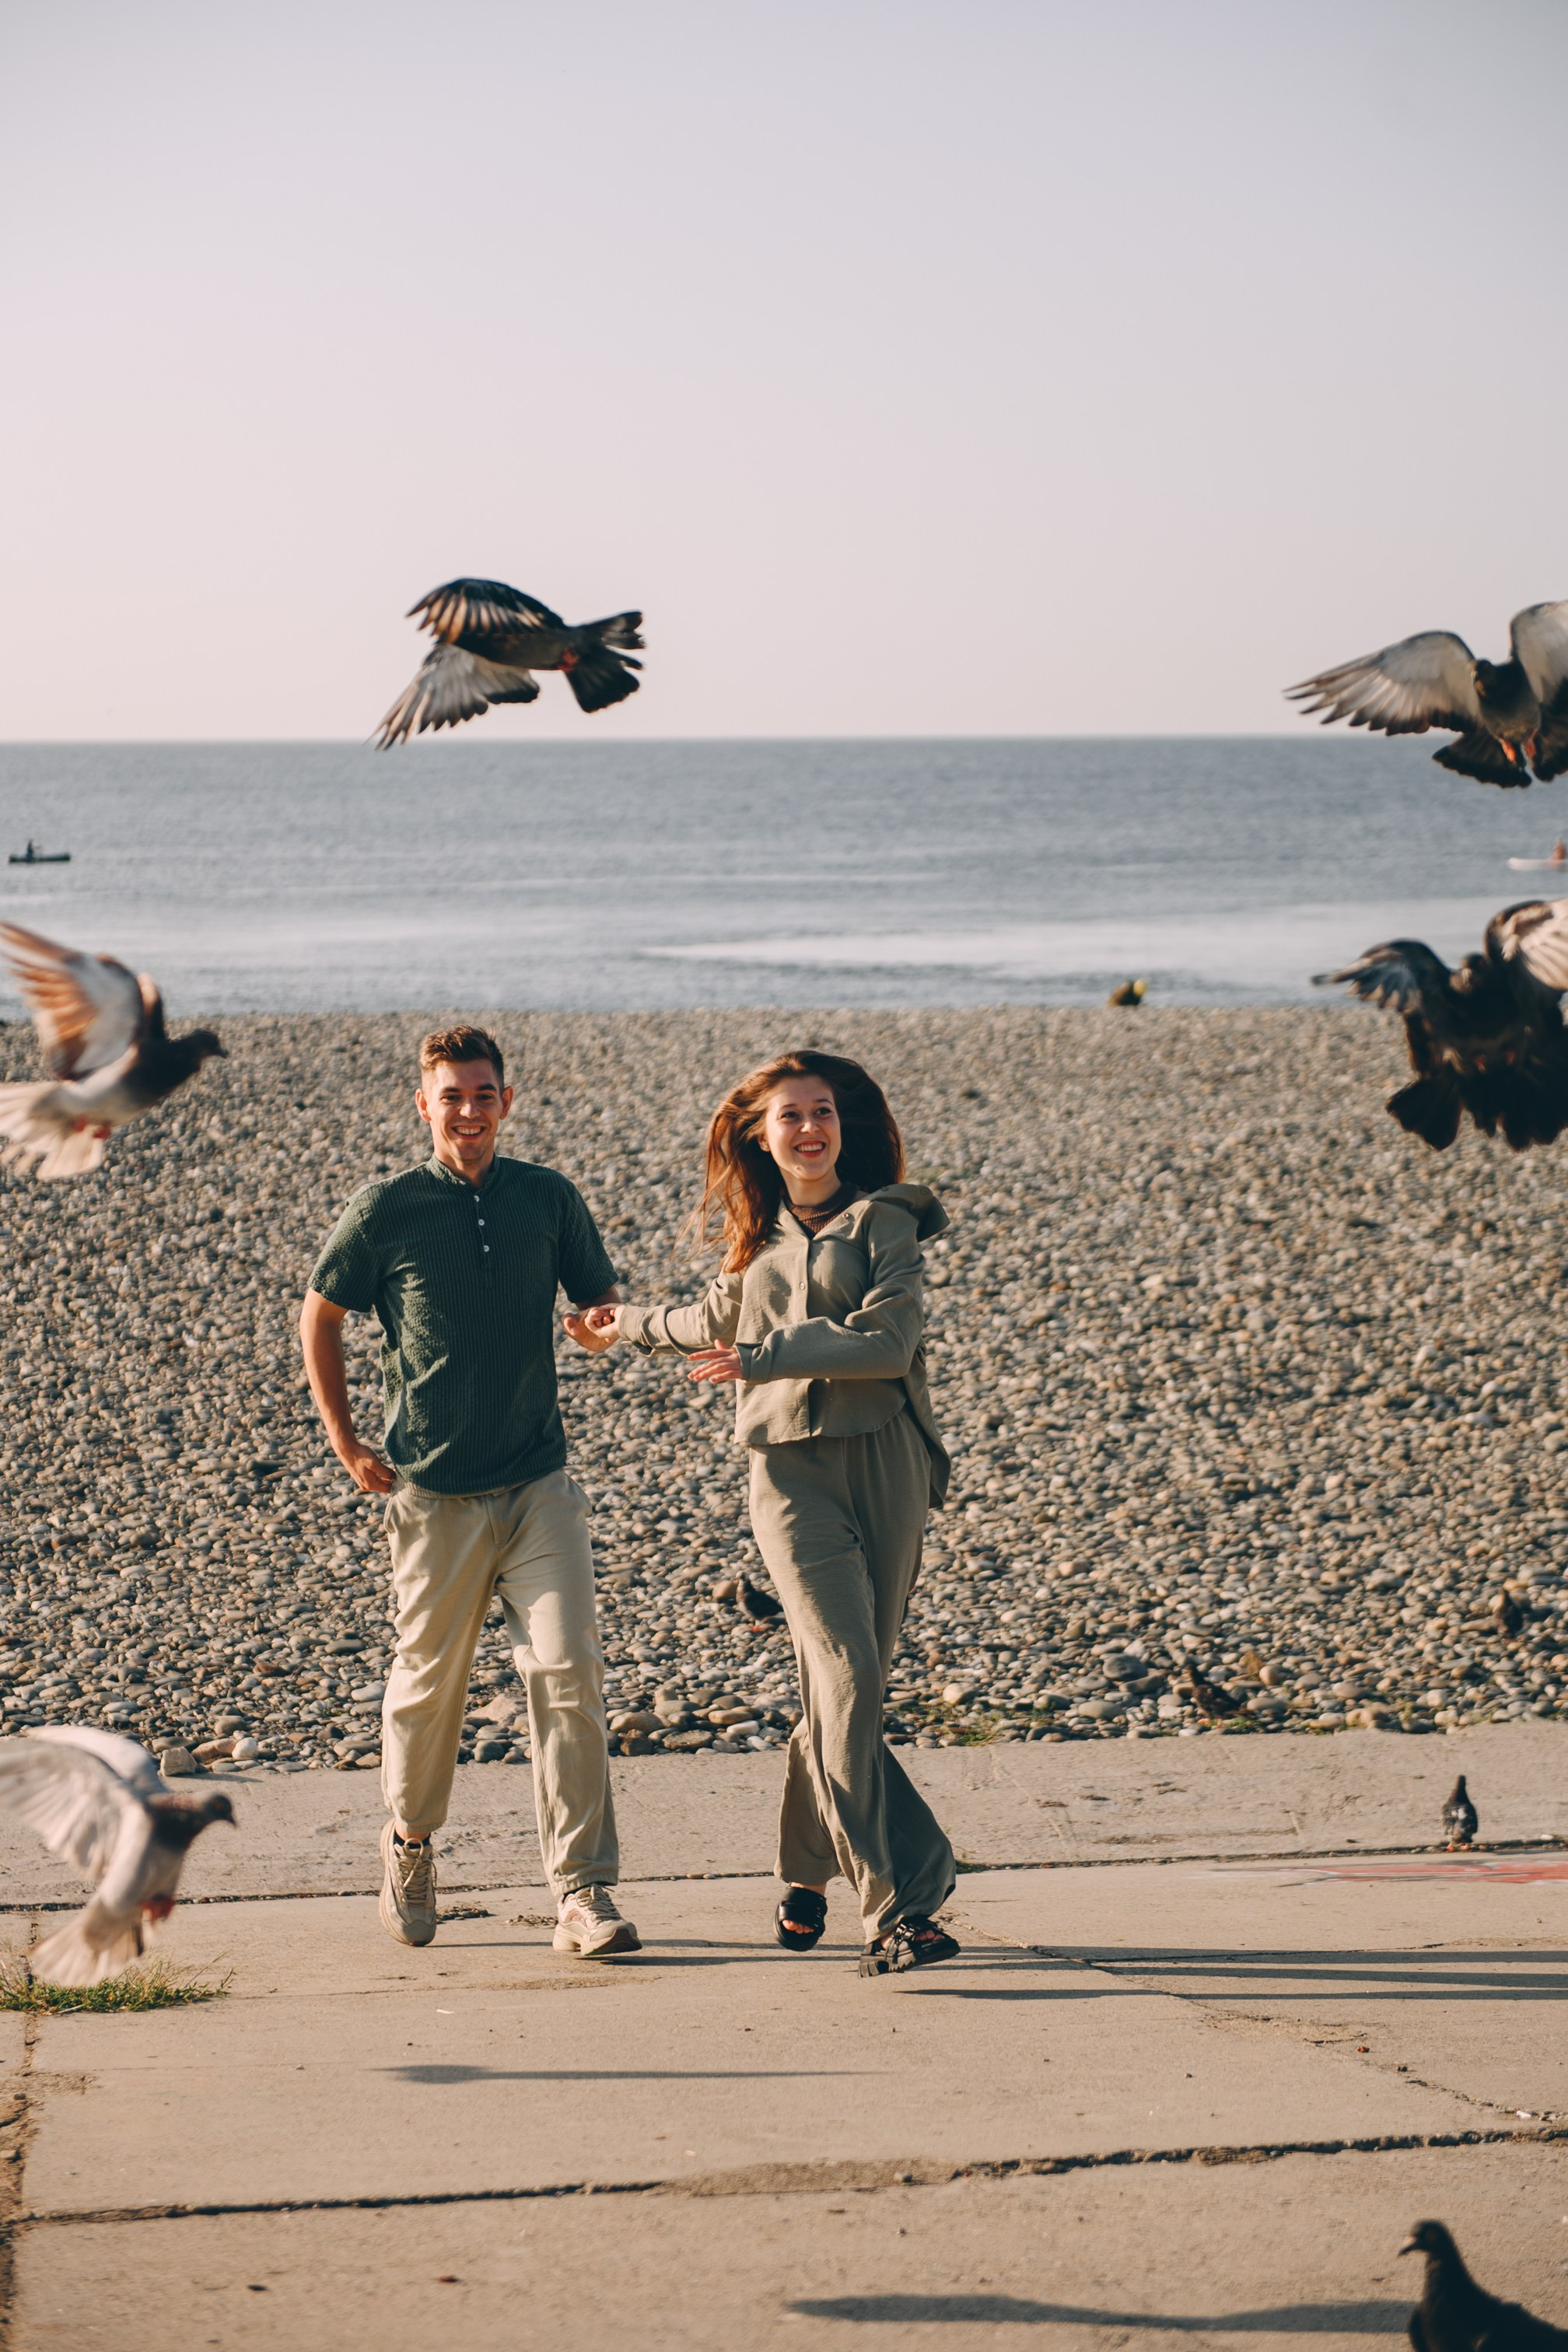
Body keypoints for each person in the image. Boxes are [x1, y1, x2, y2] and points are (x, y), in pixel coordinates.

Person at [565, 1048, 958, 1976]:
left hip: (888, 1464)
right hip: (790, 1479)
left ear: (841, 1126)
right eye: (790, 1115)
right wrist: (616, 1325)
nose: (810, 1128)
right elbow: (705, 1322)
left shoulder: (885, 1223)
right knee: (848, 1675)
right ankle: (899, 1905)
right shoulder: (755, 1242)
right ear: (760, 1133)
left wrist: (766, 1352)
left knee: (842, 1694)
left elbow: (890, 1339)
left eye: (822, 1111)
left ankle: (803, 1870)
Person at [300, 1024, 638, 1958]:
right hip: (434, 1494)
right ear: (425, 1105)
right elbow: (319, 1314)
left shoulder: (547, 1197)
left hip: (538, 1485)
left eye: (484, 1093)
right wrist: (345, 1440)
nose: (469, 1110)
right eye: (451, 1095)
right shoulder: (388, 1210)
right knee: (427, 1691)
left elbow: (598, 1297)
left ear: (507, 1102)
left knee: (569, 1671)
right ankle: (409, 1844)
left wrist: (601, 1327)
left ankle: (583, 1893)